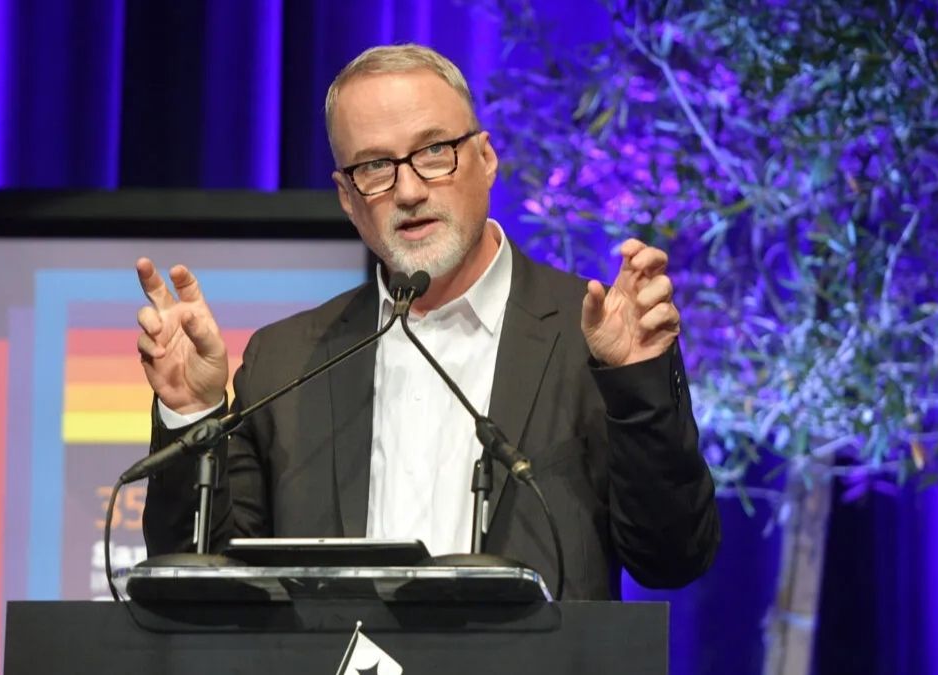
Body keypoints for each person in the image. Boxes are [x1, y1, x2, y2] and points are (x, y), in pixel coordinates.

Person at [134, 44, 719, 599]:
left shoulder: (589, 339)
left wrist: (637, 387)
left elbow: (672, 558)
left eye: (434, 151)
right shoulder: (287, 361)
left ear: (485, 159)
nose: (409, 190)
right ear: (347, 196)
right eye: (374, 166)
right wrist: (193, 414)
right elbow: (205, 584)